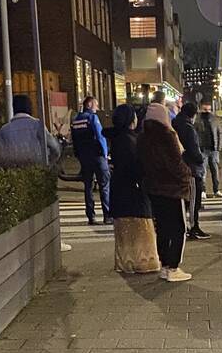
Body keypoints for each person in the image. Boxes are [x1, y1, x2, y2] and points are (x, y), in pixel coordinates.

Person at [138, 103, 193, 282]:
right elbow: (175, 163)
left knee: (162, 227)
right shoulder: (167, 136)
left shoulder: (143, 137)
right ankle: (173, 267)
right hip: (173, 189)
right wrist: (187, 175)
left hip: (154, 189)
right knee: (178, 227)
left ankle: (164, 265)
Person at [105, 104, 160, 274]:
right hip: (133, 193)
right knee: (140, 227)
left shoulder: (118, 138)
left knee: (124, 229)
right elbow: (135, 167)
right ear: (130, 120)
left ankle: (126, 262)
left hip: (121, 192)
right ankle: (143, 262)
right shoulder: (129, 140)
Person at [71, 96, 112, 225]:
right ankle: (107, 215)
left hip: (84, 157)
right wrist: (105, 154)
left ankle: (91, 216)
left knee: (88, 186)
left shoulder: (76, 120)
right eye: (96, 104)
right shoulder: (92, 118)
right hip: (97, 156)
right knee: (104, 185)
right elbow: (100, 137)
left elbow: (74, 141)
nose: (97, 108)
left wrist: (78, 155)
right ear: (89, 105)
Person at [173, 102, 211, 240]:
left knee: (186, 200)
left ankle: (187, 226)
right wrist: (201, 159)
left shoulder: (176, 124)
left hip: (182, 167)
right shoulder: (188, 128)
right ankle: (194, 227)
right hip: (192, 168)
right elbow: (194, 149)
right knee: (194, 200)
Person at [0, 94, 63, 165]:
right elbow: (54, 147)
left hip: (14, 171)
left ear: (14, 108)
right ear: (30, 107)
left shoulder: (4, 130)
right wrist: (48, 162)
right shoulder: (38, 125)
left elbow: (1, 155)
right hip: (37, 168)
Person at [196, 101, 222, 197]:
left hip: (213, 149)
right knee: (203, 171)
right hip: (202, 149)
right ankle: (203, 190)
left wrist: (218, 148)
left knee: (215, 171)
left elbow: (220, 133)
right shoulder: (197, 120)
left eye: (208, 109)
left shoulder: (215, 119)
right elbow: (195, 133)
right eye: (205, 109)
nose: (207, 111)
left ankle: (216, 190)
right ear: (200, 109)